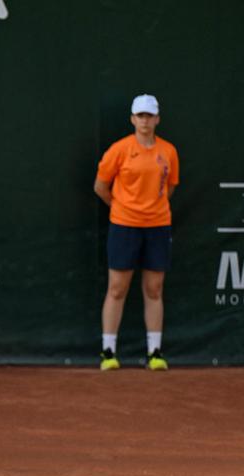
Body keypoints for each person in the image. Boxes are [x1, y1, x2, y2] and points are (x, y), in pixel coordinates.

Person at [94, 94, 179, 371]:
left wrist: (151, 208)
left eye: (149, 116)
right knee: (117, 288)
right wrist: (122, 207)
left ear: (157, 119)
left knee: (154, 289)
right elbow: (100, 186)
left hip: (158, 225)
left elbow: (171, 187)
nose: (144, 121)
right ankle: (108, 352)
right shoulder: (119, 150)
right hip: (124, 225)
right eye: (140, 116)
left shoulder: (168, 151)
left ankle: (155, 352)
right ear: (132, 119)